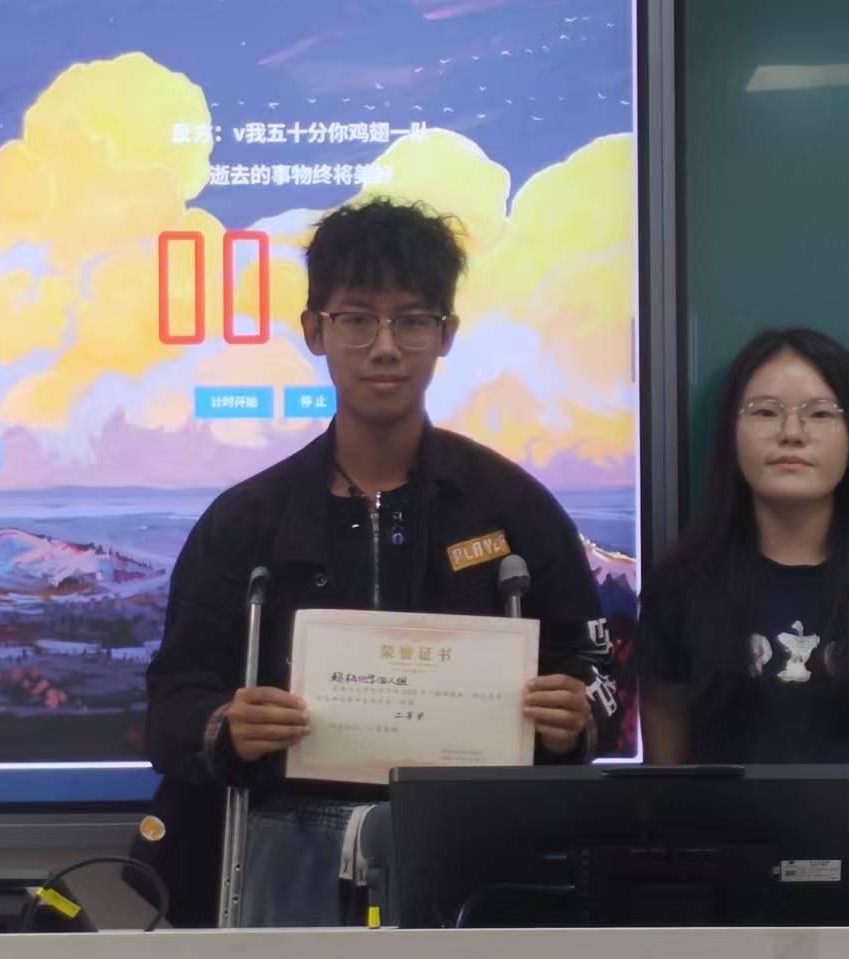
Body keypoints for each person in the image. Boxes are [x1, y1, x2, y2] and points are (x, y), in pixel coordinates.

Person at [137, 198, 619, 928]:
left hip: (470, 858)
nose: (386, 347)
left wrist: (572, 716)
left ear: (446, 334)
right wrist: (224, 725)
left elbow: (600, 676)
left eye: (413, 320)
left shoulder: (513, 509)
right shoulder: (245, 523)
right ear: (314, 331)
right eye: (357, 319)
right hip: (279, 858)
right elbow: (171, 704)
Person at [631, 328, 849, 767]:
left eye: (819, 414)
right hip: (724, 818)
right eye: (765, 412)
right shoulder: (678, 588)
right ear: (731, 432)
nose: (791, 433)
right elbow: (665, 784)